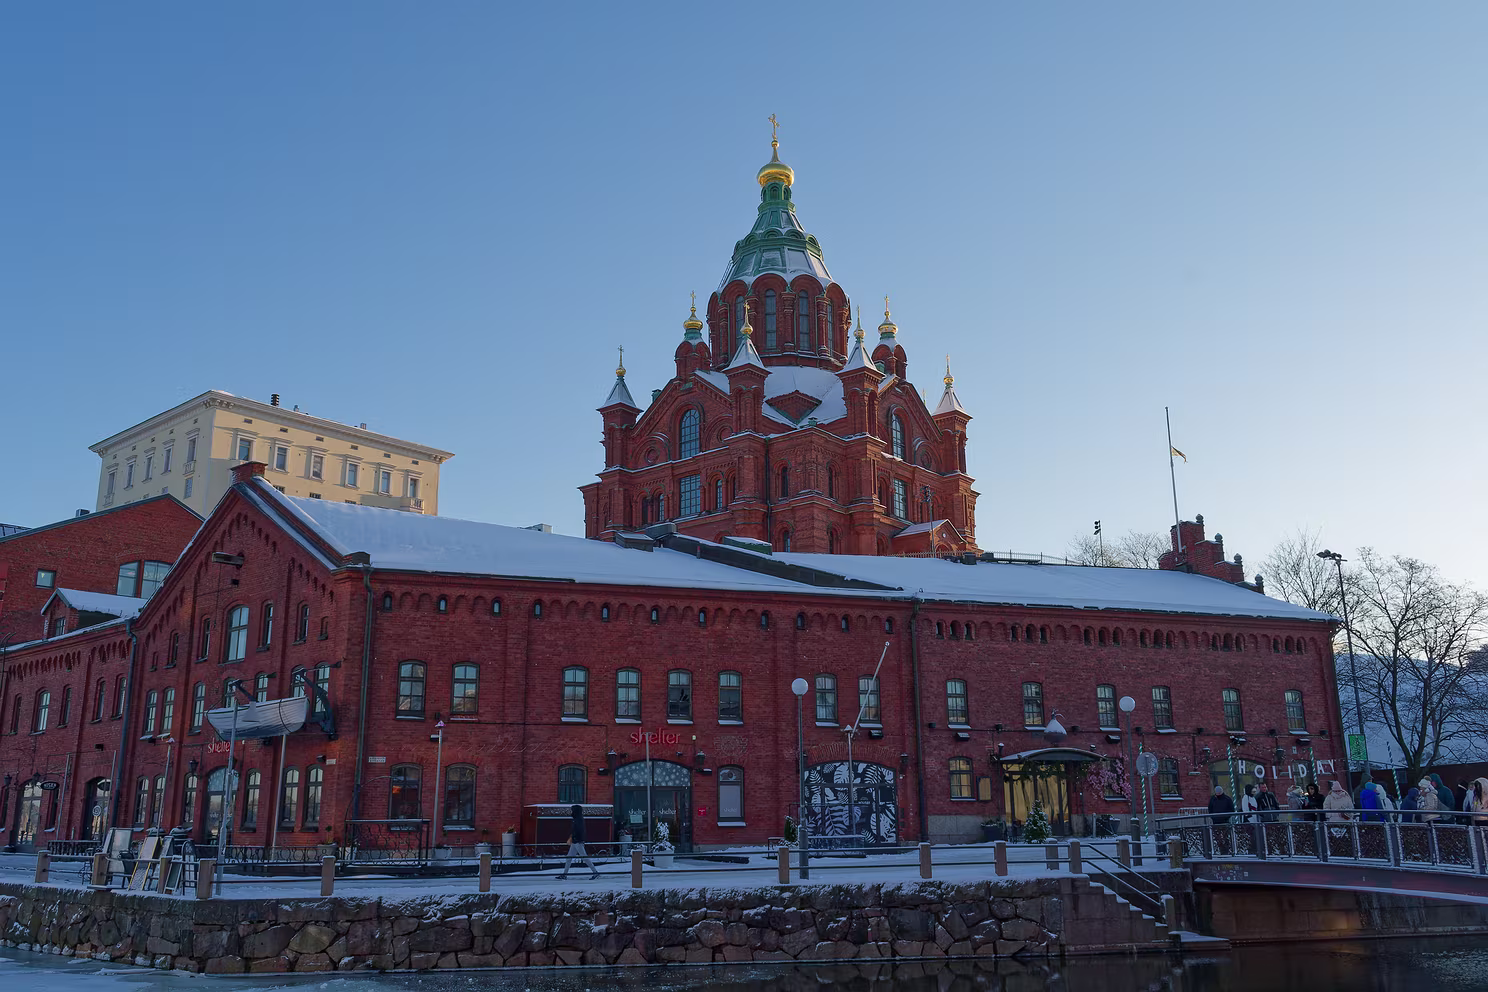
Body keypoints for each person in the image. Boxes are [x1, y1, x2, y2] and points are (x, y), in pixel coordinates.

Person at [555, 804, 600, 881]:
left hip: (577, 841)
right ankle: (565, 874)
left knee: (584, 857)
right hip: (576, 841)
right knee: (569, 858)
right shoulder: (578, 819)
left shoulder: (578, 819)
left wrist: (573, 837)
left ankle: (595, 872)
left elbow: (578, 830)